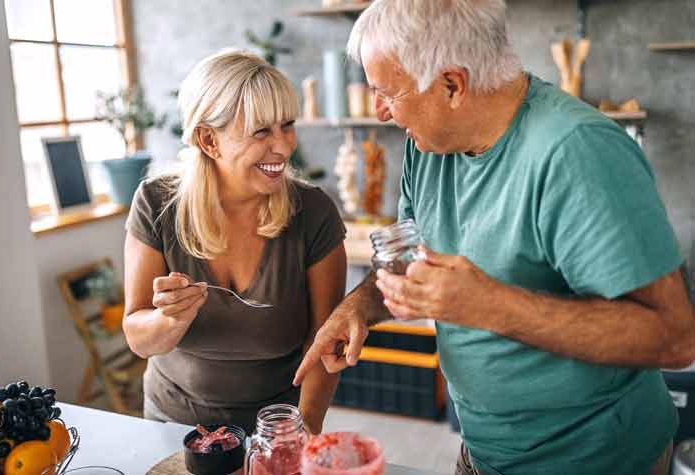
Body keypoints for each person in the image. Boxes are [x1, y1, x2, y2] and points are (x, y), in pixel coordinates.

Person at [294, 1, 695, 474]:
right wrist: (358, 306)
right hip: (483, 455)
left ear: (452, 84)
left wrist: (489, 305)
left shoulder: (577, 153)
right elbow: (407, 261)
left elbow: (674, 338)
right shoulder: (429, 145)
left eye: (388, 92)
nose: (380, 111)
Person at [123, 49, 346, 435]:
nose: (284, 145)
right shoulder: (156, 203)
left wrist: (302, 431)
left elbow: (323, 342)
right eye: (262, 131)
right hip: (171, 424)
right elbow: (139, 338)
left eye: (287, 125)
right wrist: (170, 319)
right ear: (209, 140)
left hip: (277, 428)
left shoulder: (314, 212)